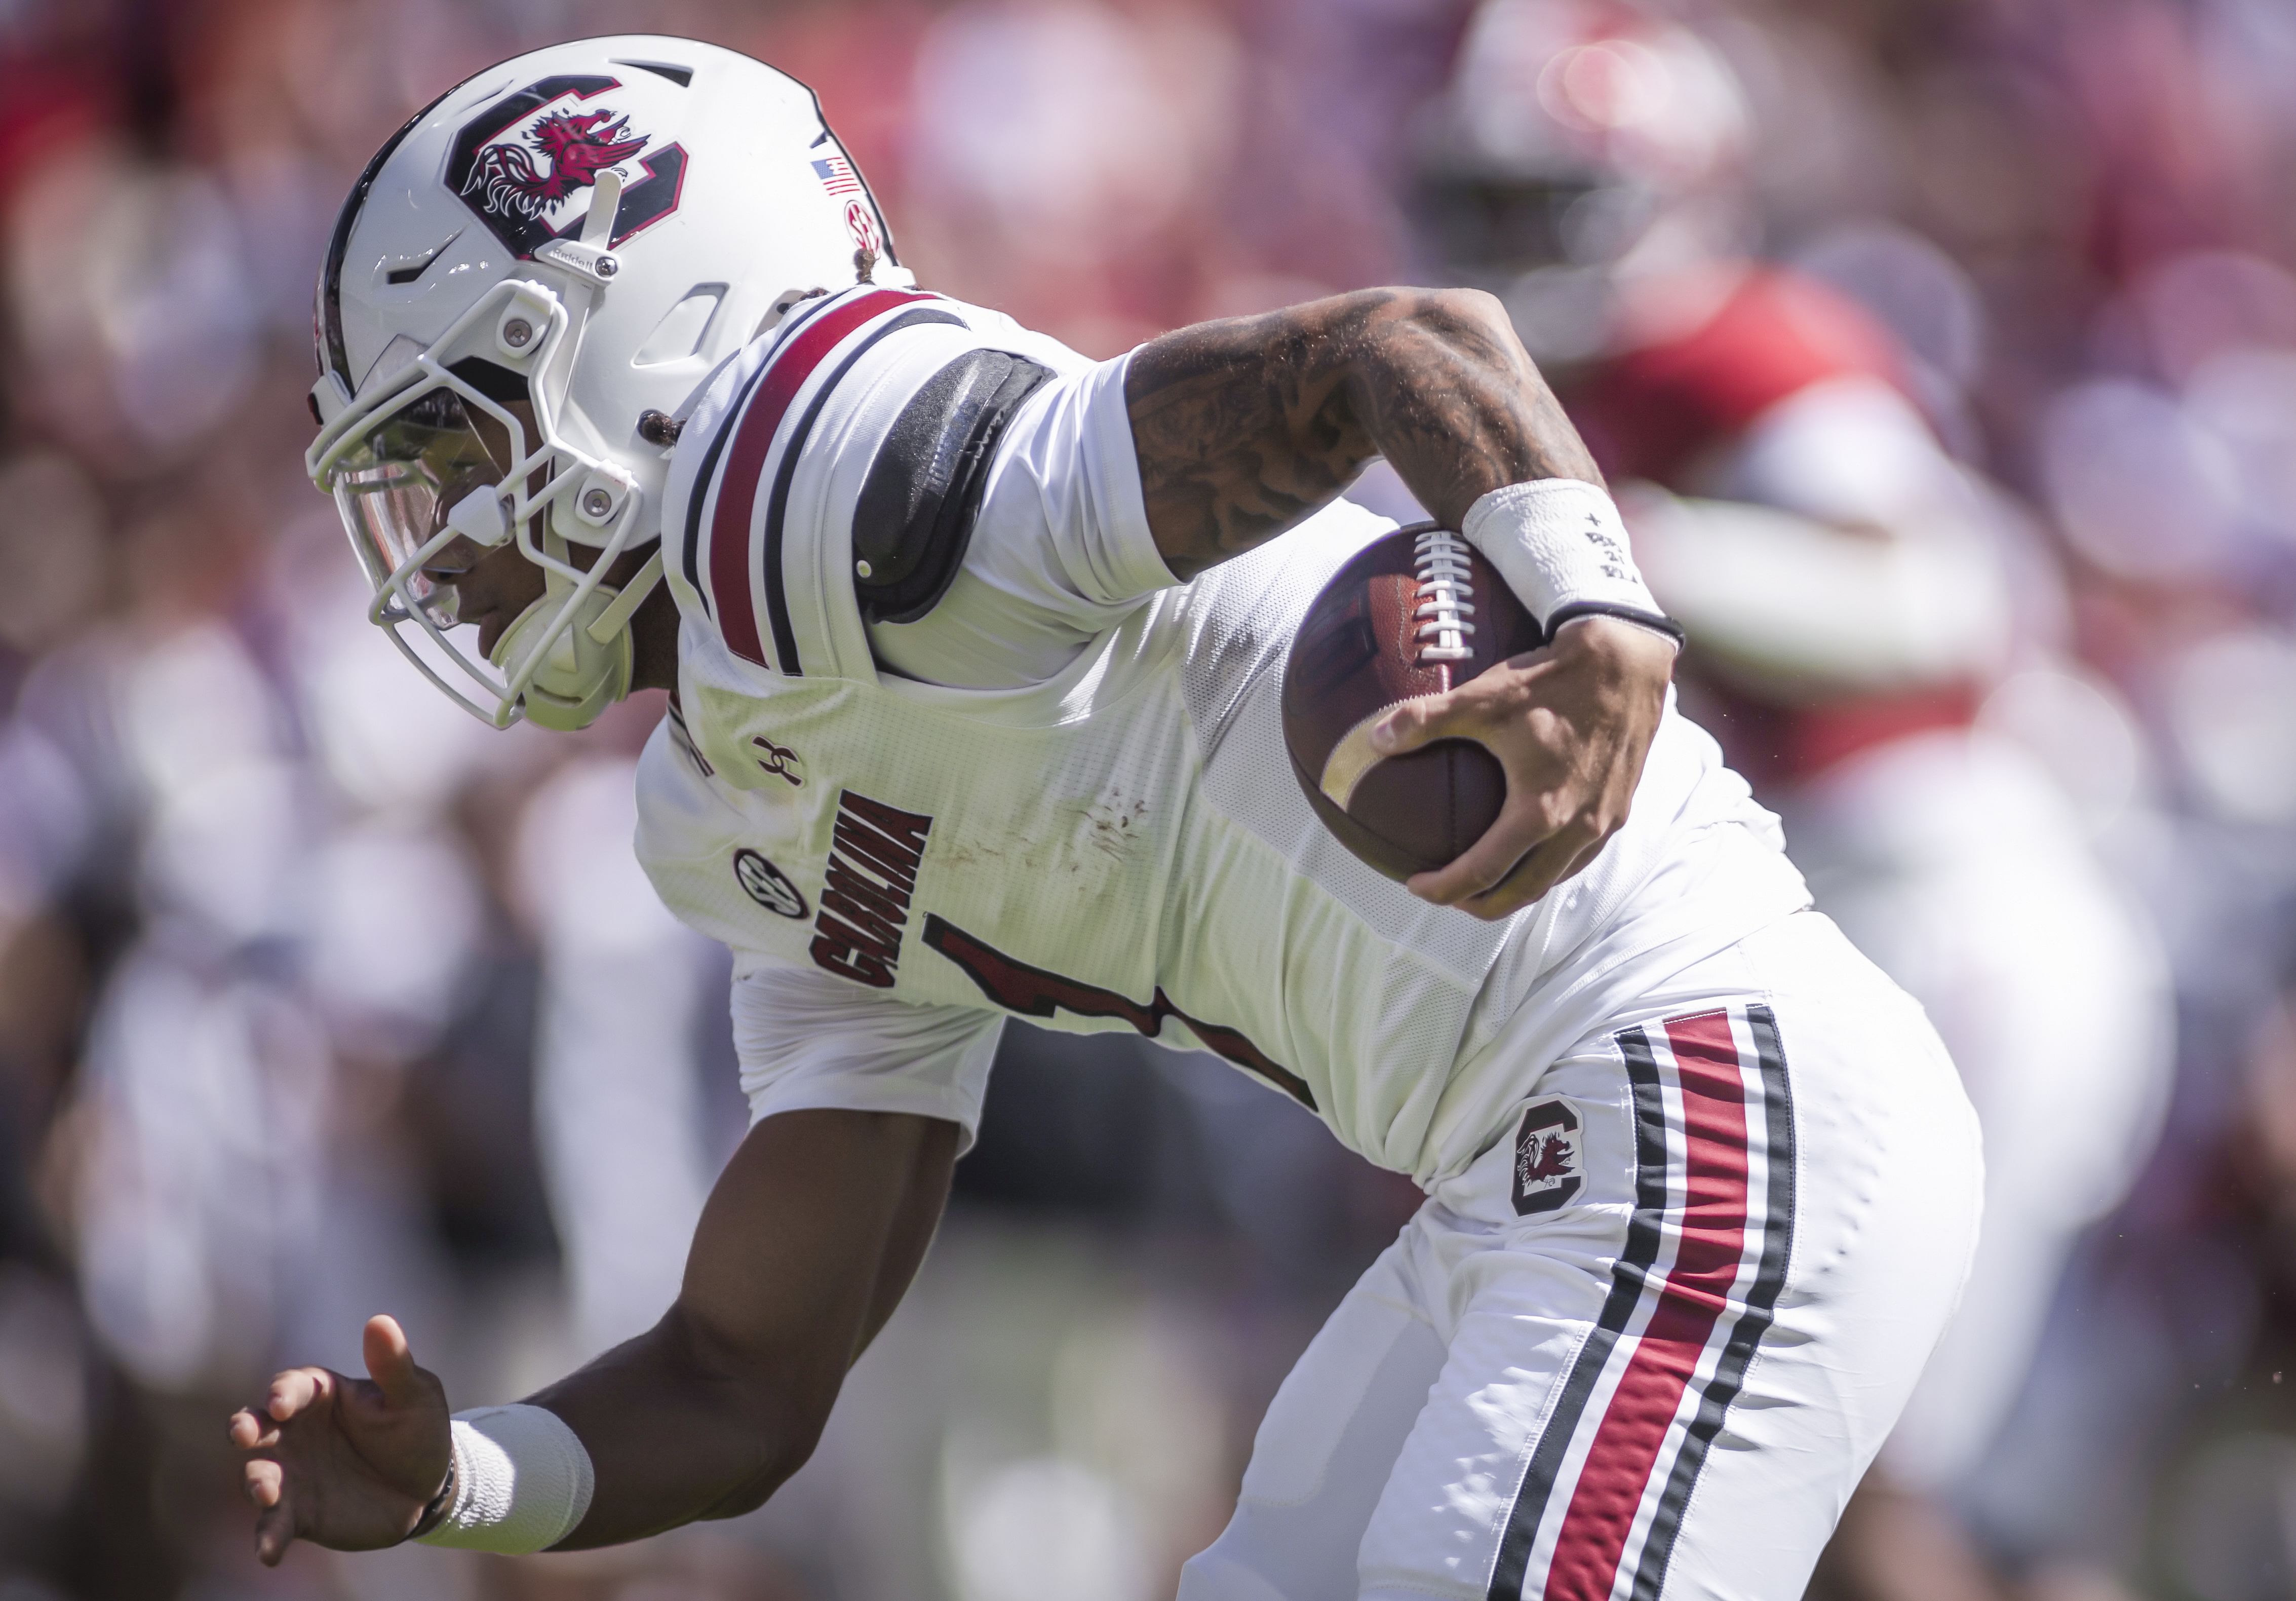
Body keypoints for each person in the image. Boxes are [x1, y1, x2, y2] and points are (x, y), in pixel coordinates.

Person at [234, 35, 1979, 1599]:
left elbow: (1402, 346)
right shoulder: (732, 801)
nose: (445, 559)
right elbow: (745, 1378)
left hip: (1696, 1096)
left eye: (463, 458)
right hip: (1519, 1182)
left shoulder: (827, 480)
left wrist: (1597, 611)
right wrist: (465, 1476)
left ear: (646, 347)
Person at [1414, 5, 2171, 1597]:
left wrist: (1642, 566)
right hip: (1810, 956)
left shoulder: (1744, 350)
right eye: (1476, 202)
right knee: (1786, 1465)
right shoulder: (1548, 387)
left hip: (1942, 929)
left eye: (1534, 205)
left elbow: (1937, 608)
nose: (1496, 247)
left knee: (1860, 1464)